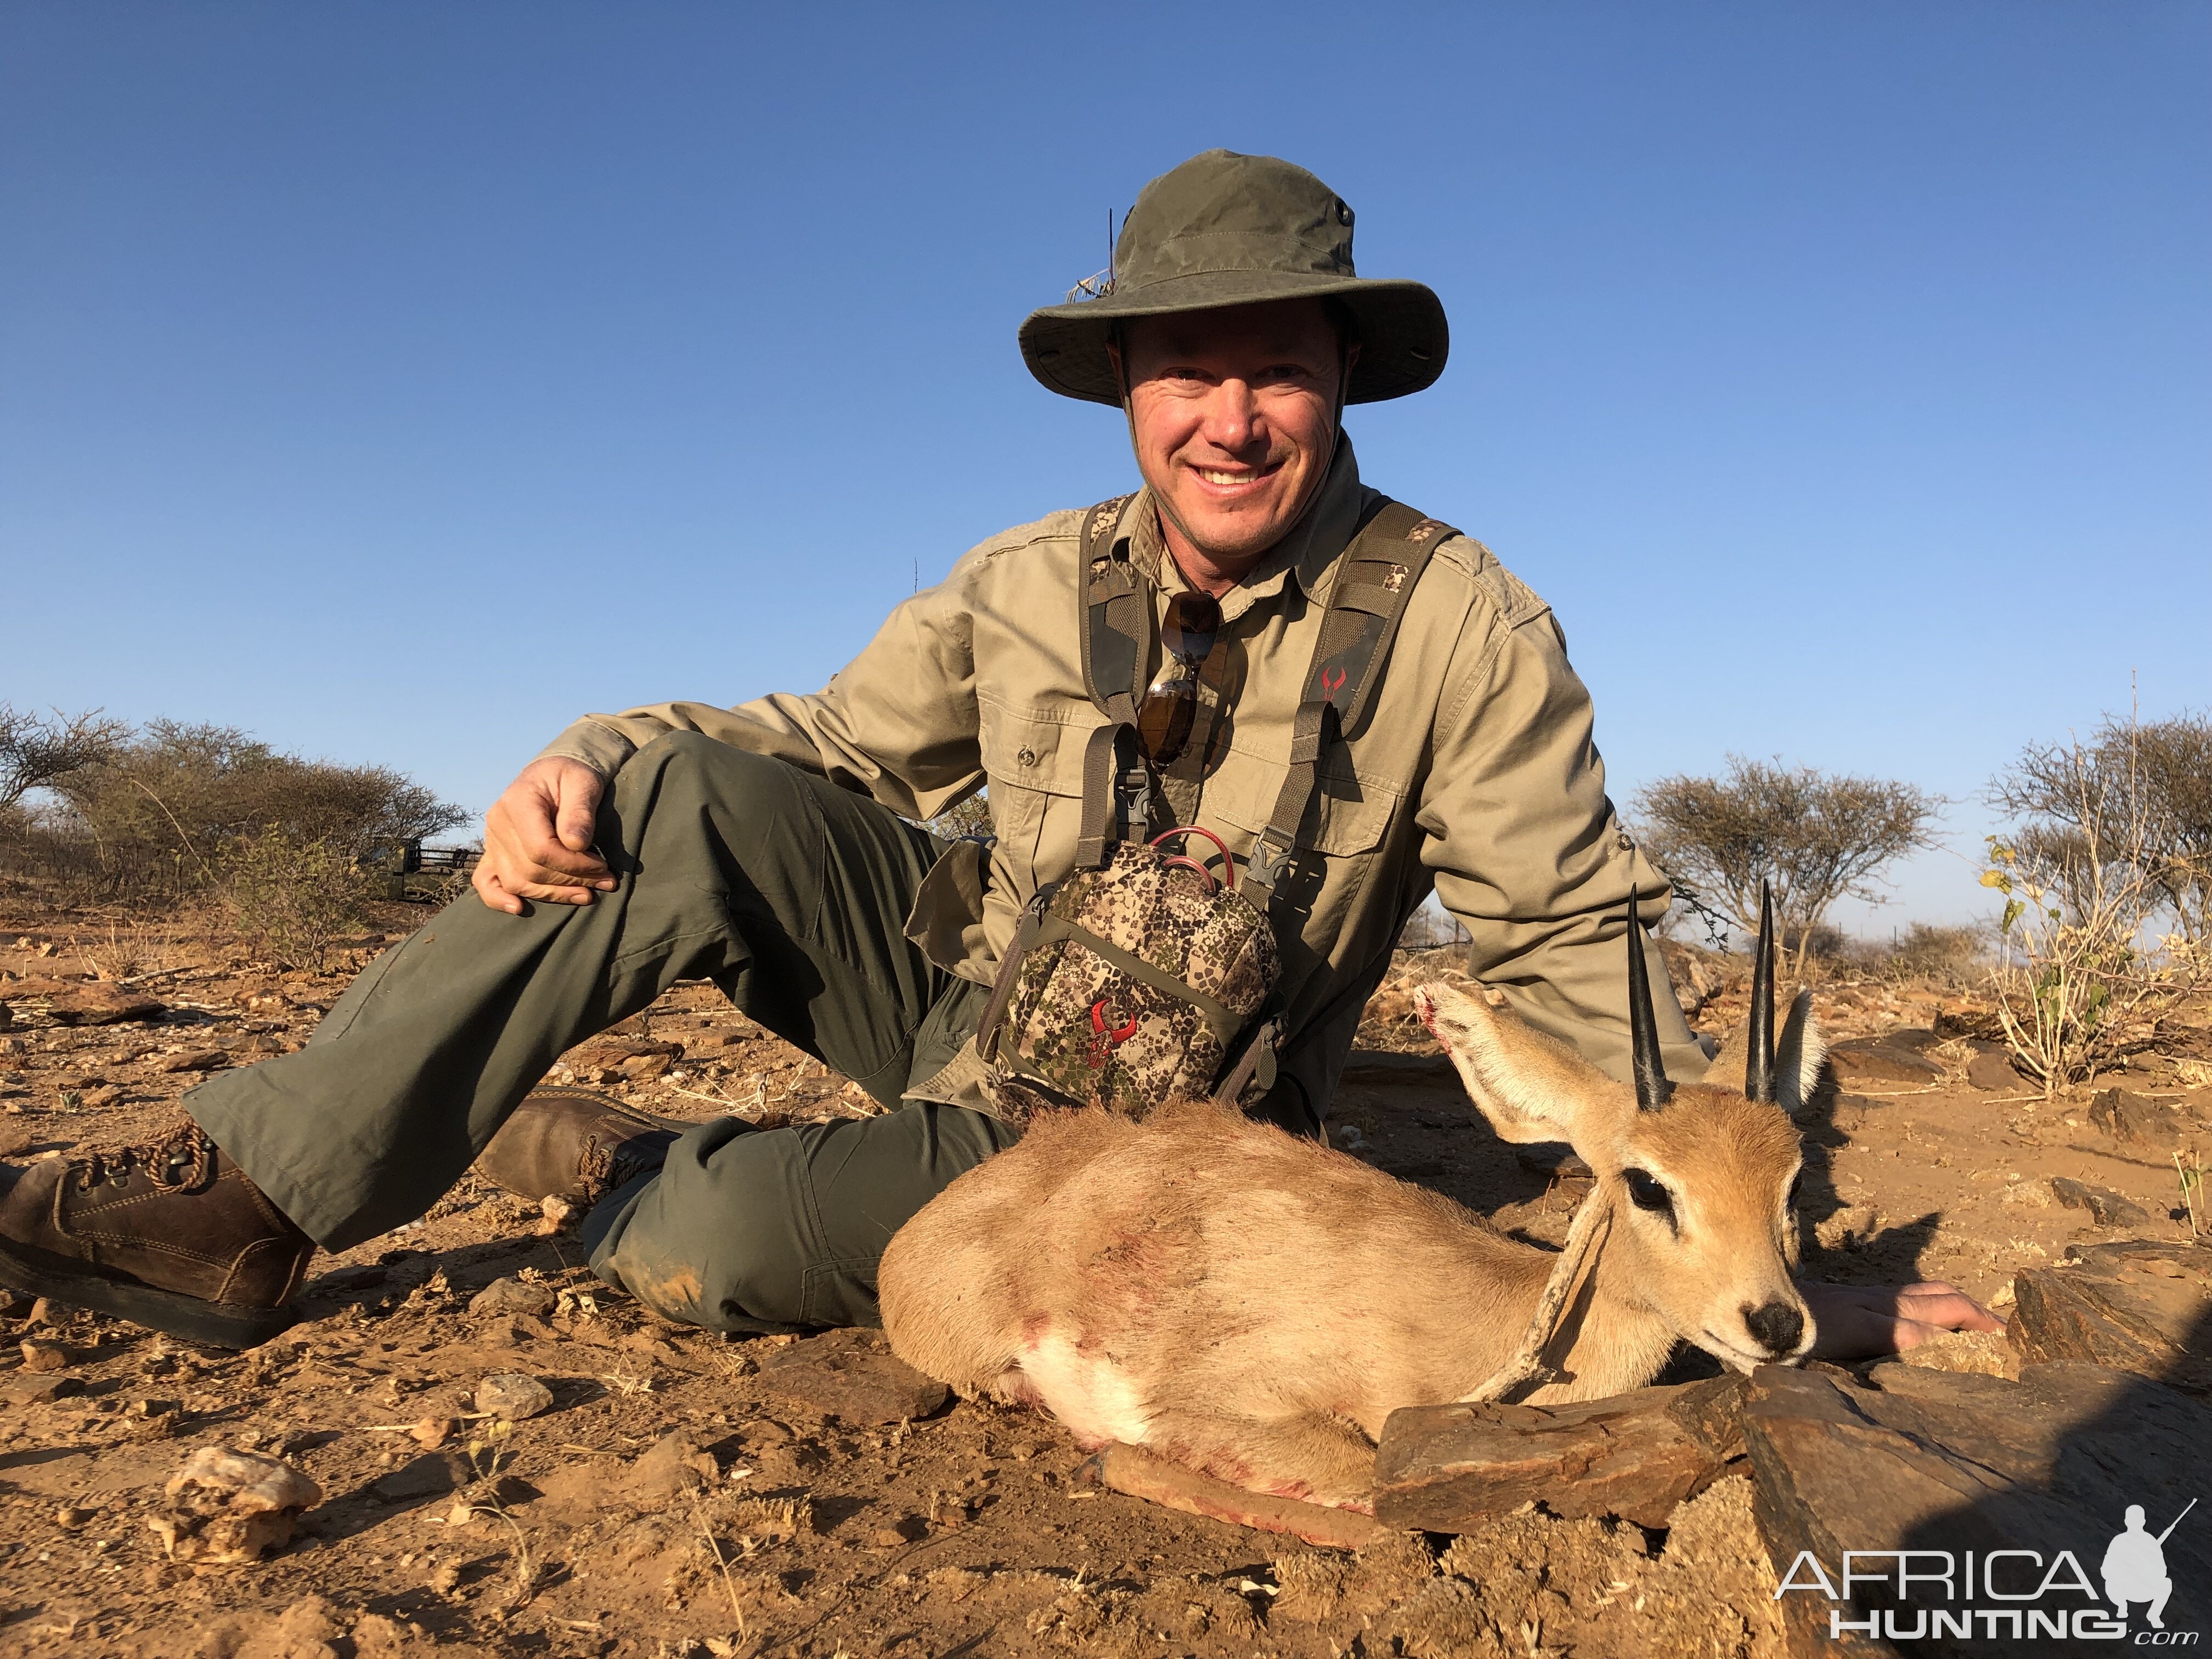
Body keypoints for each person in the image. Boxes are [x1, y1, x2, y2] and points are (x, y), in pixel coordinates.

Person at [0, 149, 1999, 1358]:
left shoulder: (1467, 623)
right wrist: (589, 746)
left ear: (1337, 382)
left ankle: (609, 1165)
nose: (1233, 413)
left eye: (1279, 363)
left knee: (706, 1247)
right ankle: (238, 1191)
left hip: (1178, 1137)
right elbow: (814, 748)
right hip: (971, 1014)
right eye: (1189, 363)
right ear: (1126, 385)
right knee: (672, 795)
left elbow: (1576, 947)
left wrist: (1761, 1266)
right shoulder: (1026, 579)